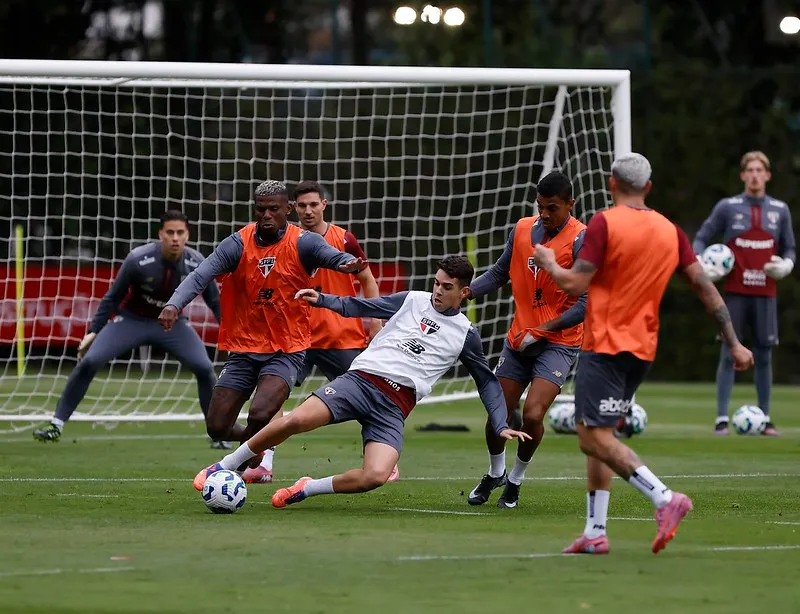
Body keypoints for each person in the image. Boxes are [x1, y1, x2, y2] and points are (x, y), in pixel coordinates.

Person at [534, 153, 754, 555]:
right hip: (643, 347)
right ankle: (596, 531)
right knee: (600, 432)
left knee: (590, 435)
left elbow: (573, 284)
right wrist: (735, 341)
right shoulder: (670, 231)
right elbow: (706, 289)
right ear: (648, 187)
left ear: (611, 183)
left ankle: (665, 498)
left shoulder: (604, 223)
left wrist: (548, 261)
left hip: (606, 344)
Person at [192, 255, 530, 508]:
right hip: (362, 380)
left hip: (395, 407)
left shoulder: (466, 335)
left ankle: (307, 487)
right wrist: (322, 300)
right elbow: (361, 305)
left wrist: (499, 422)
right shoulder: (411, 300)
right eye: (436, 283)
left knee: (376, 476)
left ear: (464, 291)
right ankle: (225, 464)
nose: (437, 291)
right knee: (298, 420)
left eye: (447, 287)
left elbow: (487, 382)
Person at [158, 180, 365, 459]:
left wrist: (346, 263)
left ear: (288, 210)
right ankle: (252, 448)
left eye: (274, 210)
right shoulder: (237, 243)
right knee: (217, 427)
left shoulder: (303, 242)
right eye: (261, 210)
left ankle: (241, 458)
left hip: (286, 349)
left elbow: (330, 256)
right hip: (244, 349)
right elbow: (200, 275)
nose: (267, 215)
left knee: (261, 412)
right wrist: (174, 303)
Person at [33, 211, 226, 447]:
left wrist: (230, 331)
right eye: (170, 232)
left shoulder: (196, 263)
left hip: (171, 326)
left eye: (180, 233)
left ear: (187, 235)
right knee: (90, 360)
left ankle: (216, 435)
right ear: (160, 234)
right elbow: (112, 298)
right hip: (132, 320)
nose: (175, 238)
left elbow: (215, 302)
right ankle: (56, 424)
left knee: (205, 368)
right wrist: (93, 331)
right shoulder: (138, 259)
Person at [242, 180, 386, 484]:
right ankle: (263, 463)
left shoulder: (343, 239)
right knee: (274, 397)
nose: (308, 211)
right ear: (294, 209)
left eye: (313, 204)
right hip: (297, 337)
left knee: (371, 398)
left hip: (340, 336)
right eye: (302, 206)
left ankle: (382, 457)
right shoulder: (288, 241)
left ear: (324, 205)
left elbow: (368, 280)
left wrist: (375, 321)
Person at [465, 171, 586, 509]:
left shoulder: (581, 240)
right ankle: (495, 472)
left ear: (570, 205)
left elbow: (586, 303)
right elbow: (499, 273)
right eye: (540, 207)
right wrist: (467, 292)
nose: (545, 215)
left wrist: (543, 331)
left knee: (532, 415)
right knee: (498, 413)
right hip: (519, 339)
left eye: (553, 208)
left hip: (559, 341)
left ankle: (516, 480)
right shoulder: (521, 229)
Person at [693, 151, 795, 436]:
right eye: (749, 170)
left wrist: (786, 264)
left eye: (759, 170)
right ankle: (722, 419)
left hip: (766, 293)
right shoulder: (728, 207)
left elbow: (790, 248)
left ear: (767, 175)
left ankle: (764, 419)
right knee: (729, 353)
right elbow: (702, 236)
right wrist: (701, 260)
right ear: (742, 175)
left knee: (763, 355)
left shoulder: (780, 210)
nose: (754, 175)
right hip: (735, 293)